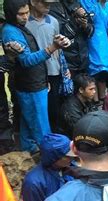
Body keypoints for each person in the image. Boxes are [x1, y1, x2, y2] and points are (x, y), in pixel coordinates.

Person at [2, 0, 70, 153]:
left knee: (28, 124)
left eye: (27, 13)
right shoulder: (10, 31)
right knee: (42, 129)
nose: (25, 17)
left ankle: (29, 153)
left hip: (36, 82)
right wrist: (53, 47)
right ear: (11, 14)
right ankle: (50, 161)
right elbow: (26, 60)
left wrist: (44, 79)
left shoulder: (19, 27)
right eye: (21, 14)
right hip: (29, 86)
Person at [26, 0, 73, 133]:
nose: (48, 7)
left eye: (50, 4)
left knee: (53, 106)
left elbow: (58, 47)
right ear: (34, 2)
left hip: (53, 69)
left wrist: (64, 67)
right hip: (34, 71)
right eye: (45, 4)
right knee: (37, 108)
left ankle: (54, 135)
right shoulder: (25, 23)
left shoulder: (53, 21)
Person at [21, 133, 75, 201]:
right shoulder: (33, 182)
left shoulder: (70, 169)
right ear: (54, 158)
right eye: (67, 156)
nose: (71, 158)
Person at [80, 0, 108, 103]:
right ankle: (95, 101)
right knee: (94, 71)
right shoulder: (89, 3)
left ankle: (102, 99)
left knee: (104, 72)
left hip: (107, 41)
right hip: (93, 39)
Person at [49, 0, 94, 77]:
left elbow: (91, 31)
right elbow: (62, 35)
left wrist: (85, 25)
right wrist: (74, 19)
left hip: (83, 59)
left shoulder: (78, 4)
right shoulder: (53, 8)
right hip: (68, 62)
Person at [58, 73, 98, 138]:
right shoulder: (70, 108)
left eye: (94, 89)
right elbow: (79, 130)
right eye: (91, 89)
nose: (94, 92)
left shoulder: (88, 100)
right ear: (81, 90)